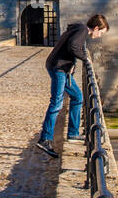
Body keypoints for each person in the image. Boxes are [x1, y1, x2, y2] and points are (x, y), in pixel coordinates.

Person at [36, 13, 109, 158]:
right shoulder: (82, 30)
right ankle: (45, 138)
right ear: (96, 28)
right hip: (59, 68)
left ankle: (73, 133)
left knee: (77, 96)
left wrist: (74, 62)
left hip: (62, 67)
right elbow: (73, 46)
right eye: (101, 32)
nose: (99, 35)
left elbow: (73, 46)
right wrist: (85, 58)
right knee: (56, 102)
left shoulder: (79, 29)